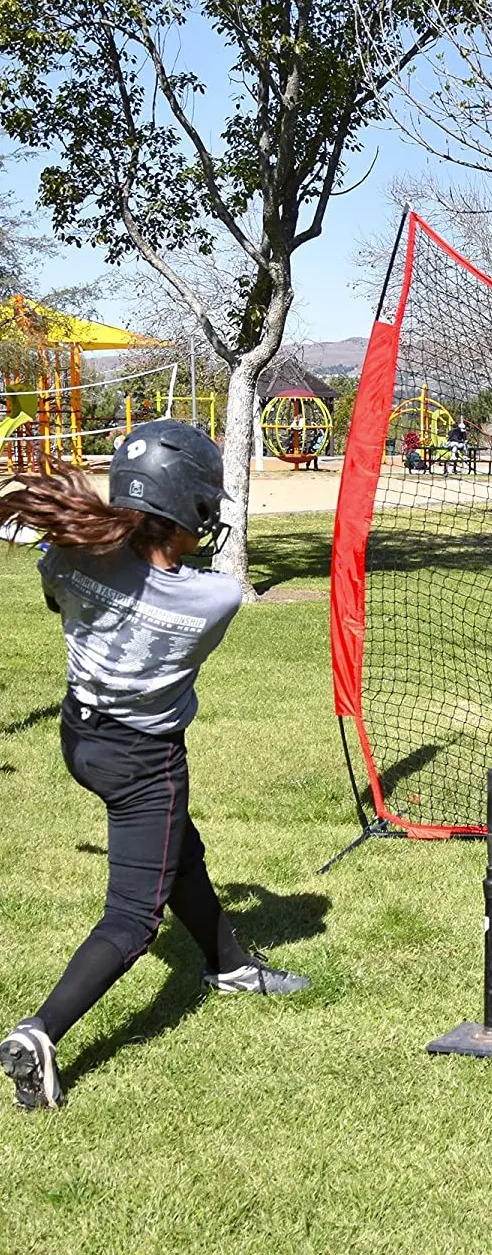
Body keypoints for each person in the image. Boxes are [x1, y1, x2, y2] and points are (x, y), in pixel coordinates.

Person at [0, 420, 309, 1111]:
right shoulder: (214, 599)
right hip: (145, 760)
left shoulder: (70, 558)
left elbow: (63, 592)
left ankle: (228, 965)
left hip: (83, 739)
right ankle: (41, 1031)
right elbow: (172, 580)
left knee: (177, 851)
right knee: (133, 919)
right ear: (186, 510)